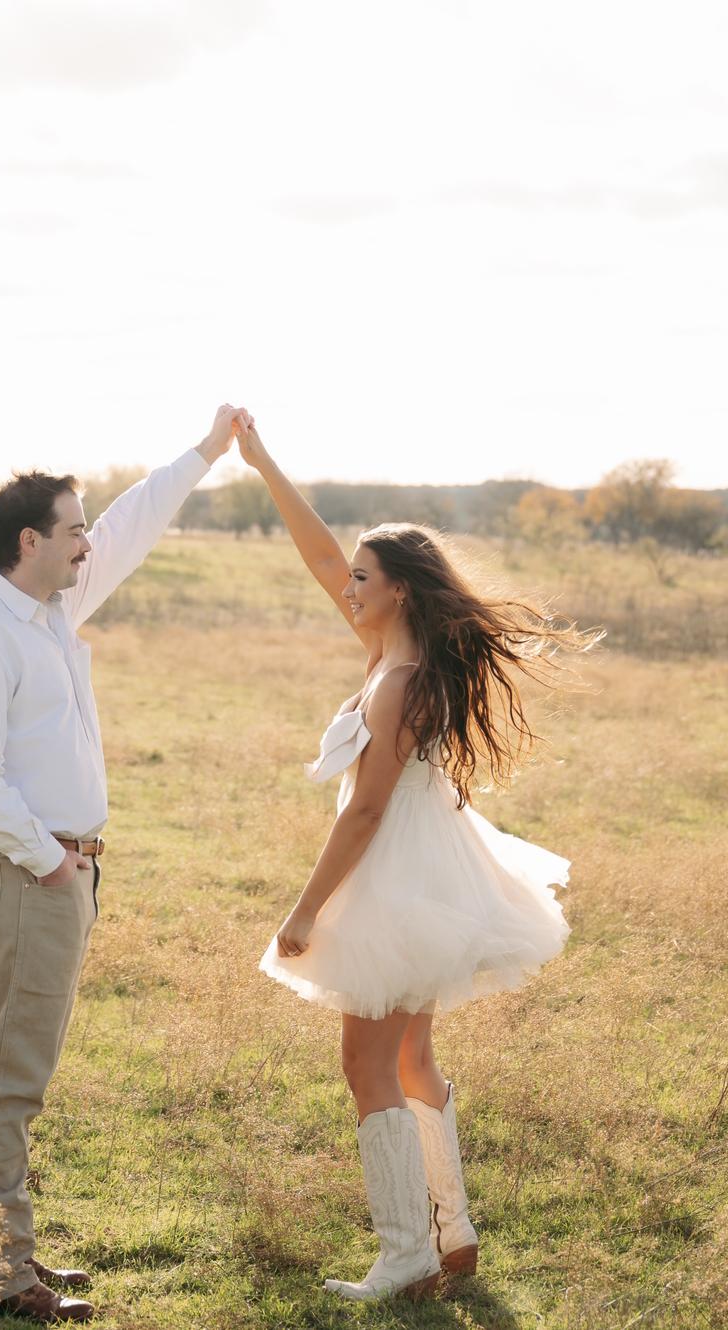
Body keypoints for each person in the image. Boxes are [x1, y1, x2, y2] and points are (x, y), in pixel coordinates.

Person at [240, 422, 594, 1302]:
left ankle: (406, 1255)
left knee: (367, 1067)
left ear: (397, 590)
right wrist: (264, 464)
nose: (347, 586)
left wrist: (305, 911)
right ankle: (451, 1231)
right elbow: (323, 557)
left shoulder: (397, 678)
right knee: (409, 1060)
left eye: (364, 578)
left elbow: (365, 810)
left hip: (396, 877)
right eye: (353, 577)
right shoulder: (396, 655)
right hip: (431, 873)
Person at [0, 403, 251, 1323]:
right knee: (4, 1082)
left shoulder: (54, 605)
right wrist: (51, 865)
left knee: (18, 1077)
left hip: (58, 876)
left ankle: (6, 1253)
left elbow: (131, 524)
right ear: (28, 541)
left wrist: (208, 450)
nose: (87, 542)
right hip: (23, 877)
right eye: (72, 530)